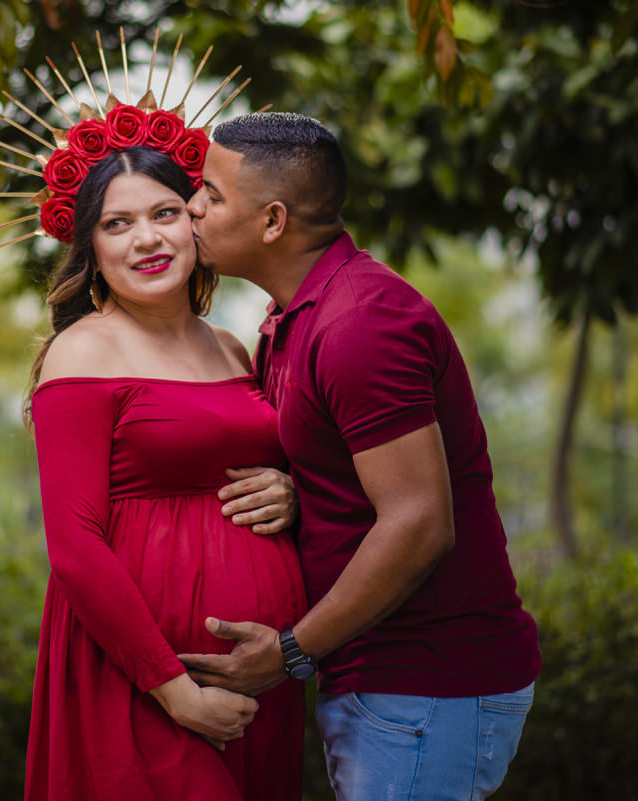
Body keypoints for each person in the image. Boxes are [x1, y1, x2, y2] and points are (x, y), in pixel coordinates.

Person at [180, 113, 543, 801]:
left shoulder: (359, 325)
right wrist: (295, 490)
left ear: (273, 220)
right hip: (381, 679)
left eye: (212, 193)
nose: (193, 206)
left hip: (427, 683)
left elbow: (419, 523)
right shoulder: (295, 319)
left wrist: (291, 651)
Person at [24, 145, 307, 801]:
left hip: (257, 681)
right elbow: (74, 547)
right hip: (141, 682)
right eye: (116, 223)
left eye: (165, 212)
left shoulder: (232, 348)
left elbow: (276, 464)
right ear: (90, 245)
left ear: (197, 221)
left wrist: (293, 494)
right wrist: (177, 694)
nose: (146, 238)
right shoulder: (83, 351)